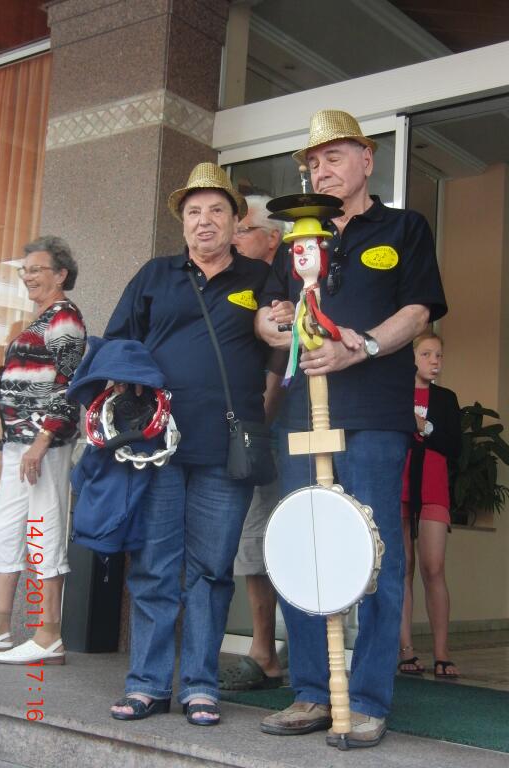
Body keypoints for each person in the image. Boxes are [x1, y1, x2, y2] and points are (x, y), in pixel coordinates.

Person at [255, 109, 447, 748]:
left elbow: (418, 311)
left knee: (375, 551)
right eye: (313, 162)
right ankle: (312, 691)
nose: (322, 170)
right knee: (303, 547)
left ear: (367, 159)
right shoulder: (298, 239)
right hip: (302, 417)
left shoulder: (404, 227)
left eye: (333, 157)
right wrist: (273, 323)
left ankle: (366, 699)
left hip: (374, 416)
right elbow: (269, 315)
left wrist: (357, 347)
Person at [106, 163, 271, 726]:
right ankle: (148, 684)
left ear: (235, 220)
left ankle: (200, 685)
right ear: (182, 222)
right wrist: (125, 395)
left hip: (225, 448)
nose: (205, 221)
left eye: (216, 210)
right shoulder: (155, 275)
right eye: (194, 212)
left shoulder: (260, 278)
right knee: (154, 567)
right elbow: (118, 344)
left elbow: (280, 343)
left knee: (212, 569)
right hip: (157, 445)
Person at [0, 235, 86, 665]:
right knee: (6, 531)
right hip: (19, 445)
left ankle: (48, 634)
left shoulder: (65, 317)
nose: (28, 276)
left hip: (43, 446)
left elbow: (69, 385)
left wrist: (42, 440)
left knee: (43, 530)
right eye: (25, 270)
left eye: (36, 269)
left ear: (61, 274)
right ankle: (0, 629)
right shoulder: (41, 318)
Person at [219, 196, 287, 691]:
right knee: (255, 541)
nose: (234, 236)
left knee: (286, 539)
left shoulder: (288, 284)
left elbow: (279, 366)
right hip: (249, 430)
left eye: (244, 229)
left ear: (273, 238)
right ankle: (265, 651)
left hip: (282, 429)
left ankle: (285, 653)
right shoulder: (239, 284)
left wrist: (257, 422)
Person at [398, 331, 461, 679]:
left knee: (433, 568)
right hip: (399, 488)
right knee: (402, 567)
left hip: (434, 490)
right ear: (412, 358)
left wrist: (425, 427)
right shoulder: (396, 393)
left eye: (439, 355)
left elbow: (455, 446)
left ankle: (442, 651)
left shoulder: (446, 399)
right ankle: (406, 649)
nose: (434, 361)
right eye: (426, 354)